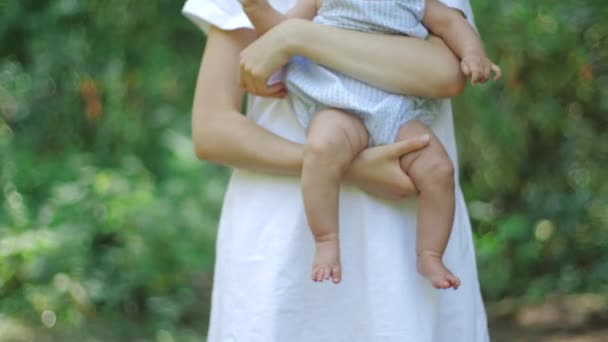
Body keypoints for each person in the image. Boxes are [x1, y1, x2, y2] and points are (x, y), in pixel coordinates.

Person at [183, 0, 490, 340]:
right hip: (281, 249)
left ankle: (429, 255)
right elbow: (211, 130)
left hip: (400, 248)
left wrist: (297, 36)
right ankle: (326, 238)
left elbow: (445, 74)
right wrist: (350, 167)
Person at [239, 0, 501, 288]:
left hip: (397, 108)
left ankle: (430, 253)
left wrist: (474, 53)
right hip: (338, 101)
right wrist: (256, 9)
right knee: (321, 148)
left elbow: (452, 23)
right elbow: (281, 33)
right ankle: (326, 239)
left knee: (438, 169)